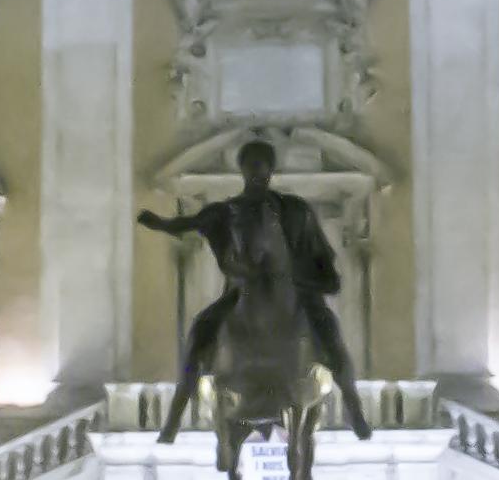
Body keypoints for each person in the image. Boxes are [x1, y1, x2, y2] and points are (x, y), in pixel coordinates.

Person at [143, 137, 357, 429]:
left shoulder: (294, 210)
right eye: (252, 168)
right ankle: (176, 413)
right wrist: (159, 223)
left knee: (329, 330)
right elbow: (188, 223)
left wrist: (315, 276)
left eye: (263, 168)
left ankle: (353, 404)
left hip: (294, 288)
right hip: (240, 289)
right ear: (242, 170)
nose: (258, 174)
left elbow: (315, 249)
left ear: (270, 170)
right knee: (200, 330)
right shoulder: (228, 211)